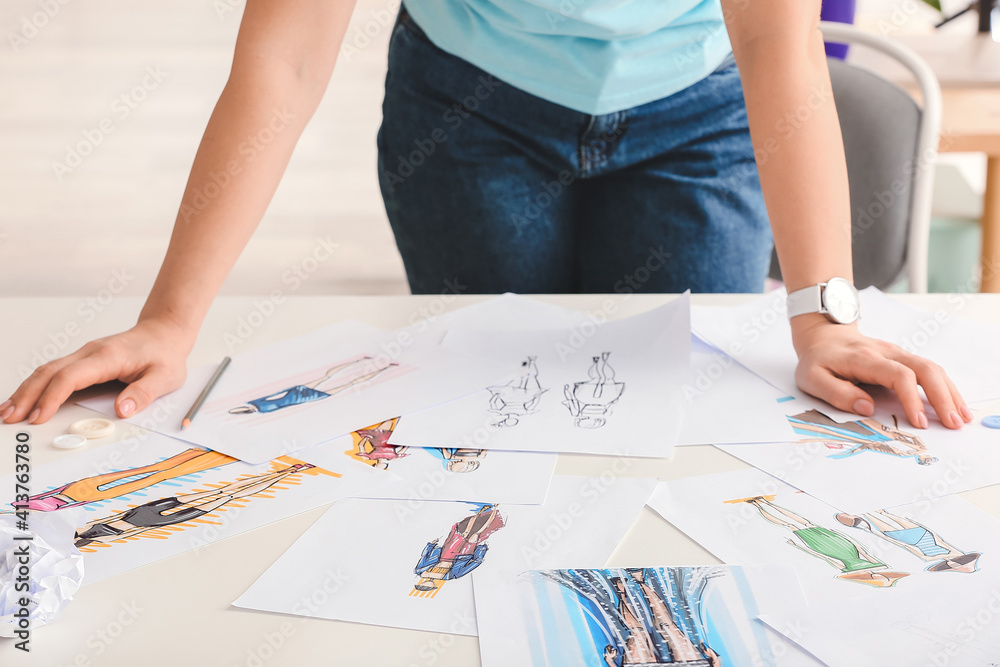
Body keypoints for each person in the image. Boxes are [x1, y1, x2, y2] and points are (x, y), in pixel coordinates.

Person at [1, 1, 974, 434]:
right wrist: (170, 321)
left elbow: (778, 47)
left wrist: (821, 317)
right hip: (469, 106)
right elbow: (283, 61)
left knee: (674, 419)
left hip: (692, 106)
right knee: (489, 413)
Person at [728, 495, 909, 588]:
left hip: (827, 548)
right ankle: (767, 504)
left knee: (791, 525)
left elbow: (826, 558)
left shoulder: (851, 572)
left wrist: (799, 546)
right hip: (842, 545)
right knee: (805, 522)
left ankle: (758, 505)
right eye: (887, 579)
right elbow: (862, 550)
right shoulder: (879, 565)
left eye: (883, 580)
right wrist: (844, 536)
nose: (883, 577)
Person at [789, 409, 938, 466]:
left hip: (872, 437)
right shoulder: (920, 446)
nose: (922, 459)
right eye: (926, 459)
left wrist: (854, 450)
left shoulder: (904, 454)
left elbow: (878, 447)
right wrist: (892, 431)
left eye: (923, 461)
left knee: (835, 428)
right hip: (881, 431)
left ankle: (800, 420)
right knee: (846, 420)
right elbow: (910, 435)